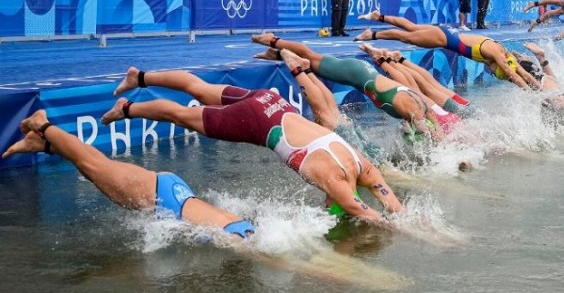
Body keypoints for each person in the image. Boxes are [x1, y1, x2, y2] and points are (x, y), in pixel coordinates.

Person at [101, 66, 404, 223]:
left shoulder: (364, 167)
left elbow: (390, 204)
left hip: (273, 103)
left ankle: (139, 77)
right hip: (258, 122)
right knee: (182, 116)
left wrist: (405, 220)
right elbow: (368, 214)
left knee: (202, 89)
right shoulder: (336, 184)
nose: (328, 205)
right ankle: (126, 109)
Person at [4, 110, 256, 239]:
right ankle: (42, 125)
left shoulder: (245, 232)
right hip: (163, 199)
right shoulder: (243, 241)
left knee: (97, 168)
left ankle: (43, 145)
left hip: (172, 194)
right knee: (94, 166)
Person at [251, 33, 453, 139]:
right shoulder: (415, 111)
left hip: (363, 73)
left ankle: (276, 54)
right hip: (355, 72)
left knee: (312, 65)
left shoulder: (422, 107)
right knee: (311, 57)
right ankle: (272, 40)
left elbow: (434, 131)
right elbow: (433, 136)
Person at [354, 10, 540, 89]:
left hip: (448, 32)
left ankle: (379, 16)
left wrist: (538, 89)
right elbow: (513, 75)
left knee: (411, 27)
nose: (491, 72)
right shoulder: (495, 54)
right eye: (496, 73)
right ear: (498, 65)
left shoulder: (506, 54)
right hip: (443, 38)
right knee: (406, 36)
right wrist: (529, 95)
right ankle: (372, 35)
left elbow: (522, 72)